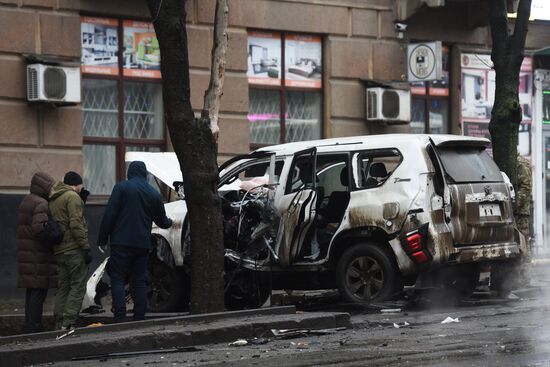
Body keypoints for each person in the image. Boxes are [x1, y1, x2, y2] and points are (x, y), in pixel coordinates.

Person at [98, 161, 172, 323]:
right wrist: (171, 222)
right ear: (145, 174)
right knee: (138, 280)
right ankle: (140, 315)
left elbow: (110, 214)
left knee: (117, 279)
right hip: (142, 244)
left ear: (130, 173)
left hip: (121, 242)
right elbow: (162, 221)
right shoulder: (153, 193)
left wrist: (102, 239)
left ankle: (120, 316)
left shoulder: (122, 188)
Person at [49, 171, 91, 330]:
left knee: (63, 287)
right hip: (74, 249)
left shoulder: (54, 198)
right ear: (76, 184)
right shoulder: (72, 197)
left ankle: (59, 321)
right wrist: (85, 247)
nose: (82, 187)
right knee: (77, 285)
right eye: (81, 185)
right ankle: (68, 323)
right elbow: (76, 225)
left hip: (59, 250)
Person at [16, 171, 57, 333]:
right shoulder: (41, 203)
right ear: (43, 187)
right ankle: (34, 326)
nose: (51, 190)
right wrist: (54, 235)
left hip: (28, 253)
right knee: (38, 292)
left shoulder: (26, 201)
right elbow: (39, 228)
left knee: (31, 291)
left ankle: (29, 323)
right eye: (50, 187)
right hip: (38, 256)